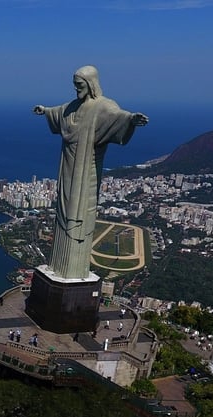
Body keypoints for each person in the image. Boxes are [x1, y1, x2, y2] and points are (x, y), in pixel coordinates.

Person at [34, 65, 148, 279]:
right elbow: (59, 112)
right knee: (64, 209)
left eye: (80, 84)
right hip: (67, 167)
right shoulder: (74, 106)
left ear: (91, 83)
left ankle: (74, 270)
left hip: (86, 169)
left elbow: (118, 117)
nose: (76, 89)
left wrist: (131, 120)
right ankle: (58, 266)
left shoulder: (103, 106)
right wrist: (45, 111)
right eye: (75, 85)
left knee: (79, 212)